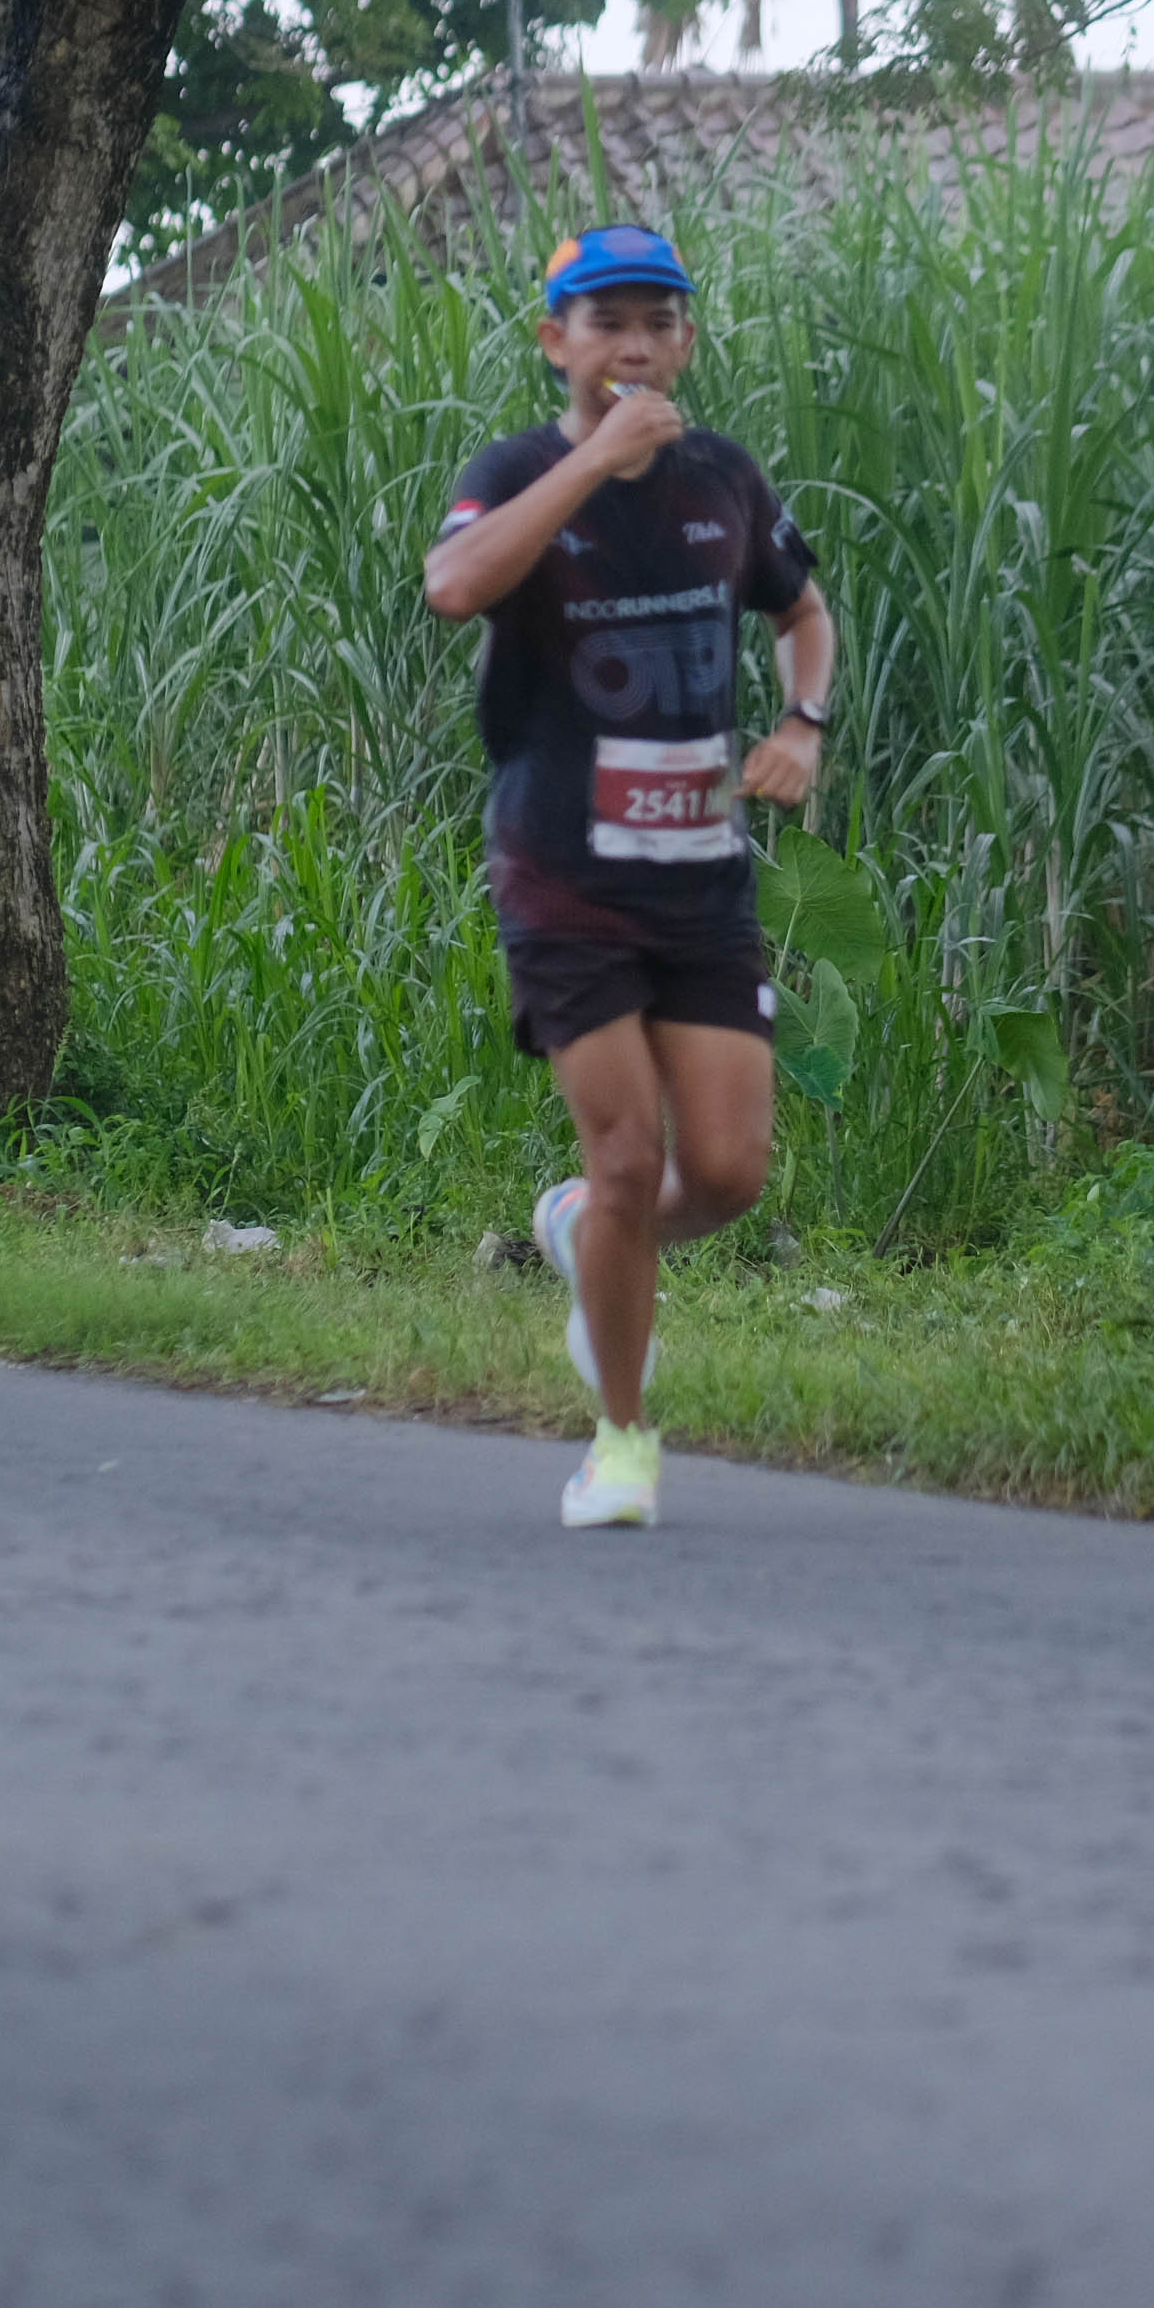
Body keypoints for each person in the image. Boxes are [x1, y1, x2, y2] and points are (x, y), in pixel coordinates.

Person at [424, 223, 838, 1529]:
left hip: (700, 877)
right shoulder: (515, 471)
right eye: (607, 322)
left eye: (659, 322)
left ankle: (582, 1235)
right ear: (557, 341)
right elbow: (454, 586)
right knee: (625, 1156)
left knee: (723, 1175)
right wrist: (594, 463)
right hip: (564, 874)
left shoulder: (723, 479)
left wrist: (801, 724)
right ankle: (620, 1440)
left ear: (687, 343)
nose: (636, 346)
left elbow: (802, 610)